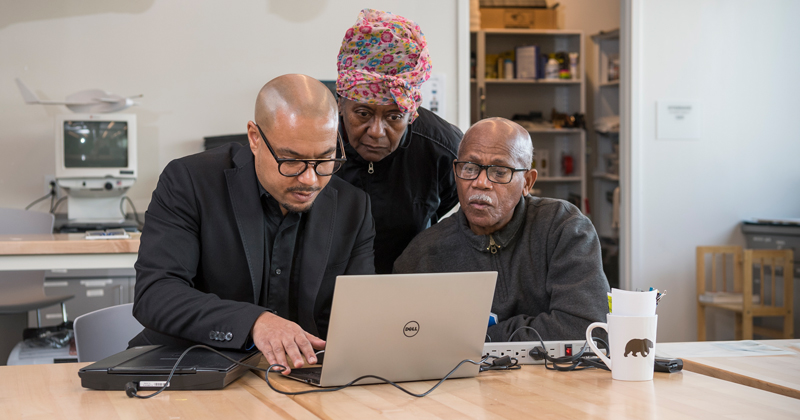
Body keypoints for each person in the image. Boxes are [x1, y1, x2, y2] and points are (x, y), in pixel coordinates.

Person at [131, 74, 376, 374]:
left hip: (298, 379)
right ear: (255, 138)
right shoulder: (189, 182)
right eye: (292, 161)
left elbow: (359, 317)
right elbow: (156, 294)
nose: (310, 179)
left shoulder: (354, 207)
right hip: (189, 371)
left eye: (325, 159)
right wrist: (256, 322)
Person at [394, 118, 609, 341]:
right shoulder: (424, 254)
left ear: (527, 182)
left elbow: (588, 329)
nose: (481, 183)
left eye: (499, 172)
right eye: (470, 168)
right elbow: (406, 339)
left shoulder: (563, 228)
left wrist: (479, 337)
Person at [335, 9, 463, 274]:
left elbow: (449, 202)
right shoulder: (315, 142)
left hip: (406, 280)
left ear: (411, 113)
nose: (377, 132)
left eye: (394, 116)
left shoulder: (442, 149)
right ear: (341, 104)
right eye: (362, 114)